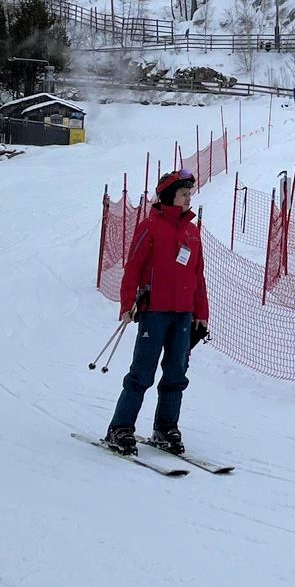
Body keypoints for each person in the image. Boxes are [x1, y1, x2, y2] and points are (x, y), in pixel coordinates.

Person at [105, 168, 210, 456]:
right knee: (142, 372)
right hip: (155, 312)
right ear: (168, 197)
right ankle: (120, 427)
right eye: (184, 194)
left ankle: (165, 428)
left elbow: (198, 275)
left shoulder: (192, 231)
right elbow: (134, 267)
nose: (189, 198)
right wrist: (127, 304)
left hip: (183, 315)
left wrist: (202, 312)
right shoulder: (150, 227)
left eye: (189, 194)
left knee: (177, 372)